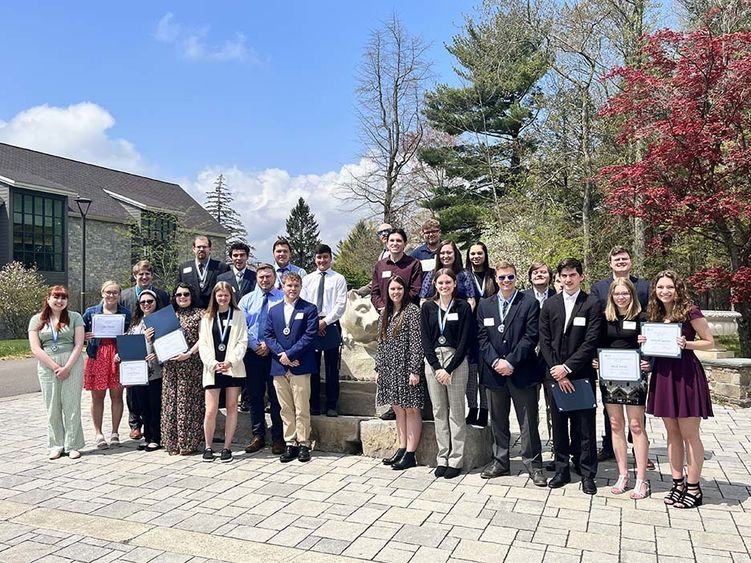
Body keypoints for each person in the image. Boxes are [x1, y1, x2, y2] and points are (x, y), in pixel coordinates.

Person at [643, 270, 714, 509]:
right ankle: (677, 483)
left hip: (686, 375)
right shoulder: (655, 313)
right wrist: (645, 343)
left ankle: (694, 488)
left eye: (669, 287)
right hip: (663, 375)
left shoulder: (690, 311)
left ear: (677, 288)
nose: (665, 291)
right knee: (671, 433)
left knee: (689, 434)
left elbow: (709, 341)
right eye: (660, 287)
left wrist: (687, 343)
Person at [477, 261, 547, 486]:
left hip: (522, 372)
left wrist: (511, 362)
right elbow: (482, 338)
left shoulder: (529, 303)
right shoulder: (485, 305)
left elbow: (531, 336)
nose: (506, 281)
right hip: (494, 373)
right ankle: (500, 461)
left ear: (517, 278)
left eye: (510, 277)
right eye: (502, 278)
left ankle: (534, 464)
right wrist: (497, 361)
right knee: (498, 420)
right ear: (495, 280)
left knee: (528, 421)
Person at [539, 258, 602, 495]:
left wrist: (568, 368)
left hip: (581, 374)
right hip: (554, 375)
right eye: (564, 276)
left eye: (573, 275)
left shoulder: (592, 304)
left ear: (581, 276)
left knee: (584, 425)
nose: (568, 279)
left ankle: (587, 473)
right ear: (559, 278)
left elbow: (591, 341)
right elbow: (544, 341)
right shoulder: (550, 304)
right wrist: (557, 369)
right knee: (559, 423)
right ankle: (561, 468)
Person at [590, 246, 650, 463]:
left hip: (635, 362)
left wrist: (648, 358)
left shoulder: (644, 286)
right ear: (610, 263)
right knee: (612, 411)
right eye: (617, 259)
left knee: (636, 414)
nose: (621, 262)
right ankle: (609, 446)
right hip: (609, 361)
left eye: (624, 258)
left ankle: (638, 448)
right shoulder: (599, 287)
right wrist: (595, 356)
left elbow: (650, 322)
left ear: (631, 261)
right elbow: (595, 324)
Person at [593, 278, 651, 499]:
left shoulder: (641, 317)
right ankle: (623, 474)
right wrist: (595, 359)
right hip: (610, 377)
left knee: (636, 426)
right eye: (617, 293)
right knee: (616, 425)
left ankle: (641, 480)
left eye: (625, 293)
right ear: (611, 296)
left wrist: (648, 361)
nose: (621, 297)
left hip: (635, 377)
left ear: (632, 294)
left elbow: (650, 345)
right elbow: (595, 342)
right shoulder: (605, 317)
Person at [421, 268, 472, 479]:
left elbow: (465, 341)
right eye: (440, 283)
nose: (444, 286)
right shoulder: (427, 308)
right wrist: (436, 367)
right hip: (433, 362)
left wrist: (449, 369)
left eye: (448, 282)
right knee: (439, 411)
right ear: (435, 284)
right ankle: (442, 456)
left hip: (456, 362)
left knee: (456, 411)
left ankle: (456, 458)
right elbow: (425, 340)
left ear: (454, 284)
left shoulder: (463, 307)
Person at [264, 272, 319, 462]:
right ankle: (290, 443)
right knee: (285, 408)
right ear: (282, 287)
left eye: (296, 286)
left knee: (301, 407)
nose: (292, 289)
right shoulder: (274, 310)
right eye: (289, 285)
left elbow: (309, 336)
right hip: (279, 367)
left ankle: (303, 443)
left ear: (300, 287)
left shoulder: (309, 309)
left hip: (301, 365)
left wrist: (291, 355)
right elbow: (268, 335)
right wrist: (282, 356)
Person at [28, 286, 86, 459]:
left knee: (71, 405)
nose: (59, 301)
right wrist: (54, 367)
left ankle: (73, 444)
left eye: (63, 298)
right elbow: (35, 348)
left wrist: (67, 367)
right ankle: (56, 444)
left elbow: (78, 344)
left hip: (71, 363)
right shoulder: (36, 320)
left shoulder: (75, 317)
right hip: (48, 365)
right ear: (48, 299)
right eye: (56, 297)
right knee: (52, 406)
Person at [375, 275, 424, 471]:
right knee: (398, 409)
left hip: (406, 368)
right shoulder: (385, 313)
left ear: (404, 291)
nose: (396, 292)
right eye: (392, 289)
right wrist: (378, 368)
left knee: (411, 409)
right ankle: (402, 447)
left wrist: (415, 369)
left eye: (399, 289)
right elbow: (380, 342)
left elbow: (416, 343)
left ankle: (411, 453)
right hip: (389, 368)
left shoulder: (412, 311)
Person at [118, 259, 169, 441]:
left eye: (147, 274)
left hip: (155, 363)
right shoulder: (124, 296)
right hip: (134, 357)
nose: (144, 277)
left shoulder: (162, 294)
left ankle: (154, 434)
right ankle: (135, 425)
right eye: (141, 274)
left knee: (153, 398)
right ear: (135, 276)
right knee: (134, 395)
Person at [239, 265, 286, 455]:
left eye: (268, 276)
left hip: (275, 354)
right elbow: (241, 326)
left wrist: (269, 344)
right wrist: (254, 345)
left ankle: (278, 438)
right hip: (253, 353)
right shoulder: (247, 300)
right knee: (255, 397)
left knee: (276, 398)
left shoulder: (284, 298)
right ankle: (258, 435)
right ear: (256, 279)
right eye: (261, 277)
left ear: (275, 278)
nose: (265, 280)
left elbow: (285, 325)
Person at [199, 282, 248, 463]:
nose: (223, 298)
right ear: (214, 297)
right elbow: (203, 344)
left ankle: (227, 448)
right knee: (210, 410)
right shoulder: (207, 317)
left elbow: (243, 341)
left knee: (232, 407)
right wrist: (213, 363)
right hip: (212, 370)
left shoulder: (238, 315)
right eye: (219, 295)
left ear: (230, 297)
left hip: (232, 369)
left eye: (226, 295)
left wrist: (230, 362)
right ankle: (208, 447)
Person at [82, 281, 132, 450]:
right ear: (102, 293)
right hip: (97, 355)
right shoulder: (90, 312)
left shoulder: (126, 313)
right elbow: (79, 334)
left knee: (117, 396)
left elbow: (130, 335)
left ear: (119, 294)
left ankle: (115, 432)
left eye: (115, 293)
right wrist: (85, 336)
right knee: (97, 398)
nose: (111, 295)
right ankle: (98, 433)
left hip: (117, 357)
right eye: (108, 292)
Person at [524, 261, 563, 471]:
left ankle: (559, 450)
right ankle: (533, 451)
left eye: (544, 272)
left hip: (552, 361)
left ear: (550, 276)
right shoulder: (522, 297)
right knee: (531, 409)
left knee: (554, 407)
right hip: (528, 360)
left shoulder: (558, 298)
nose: (539, 275)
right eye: (535, 272)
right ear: (530, 277)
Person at [301, 244, 347, 417]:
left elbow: (341, 304)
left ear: (330, 258)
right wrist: (314, 323)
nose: (322, 260)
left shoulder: (338, 279)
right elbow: (303, 303)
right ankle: (313, 404)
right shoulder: (307, 279)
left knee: (331, 369)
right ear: (315, 259)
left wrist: (325, 322)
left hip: (331, 324)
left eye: (325, 257)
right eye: (319, 257)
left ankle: (331, 405)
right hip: (311, 326)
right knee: (311, 368)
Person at [162, 283, 205, 455]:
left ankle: (188, 443)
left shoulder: (201, 314)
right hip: (171, 366)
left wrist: (189, 353)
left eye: (186, 294)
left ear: (192, 295)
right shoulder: (168, 315)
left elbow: (203, 338)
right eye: (178, 295)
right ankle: (172, 443)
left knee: (189, 404)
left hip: (191, 365)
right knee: (171, 403)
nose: (182, 297)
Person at [119, 289, 163, 452]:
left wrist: (156, 354)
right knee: (142, 405)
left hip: (154, 371)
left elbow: (168, 344)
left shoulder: (160, 321)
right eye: (143, 302)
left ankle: (156, 437)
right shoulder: (135, 322)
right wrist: (120, 355)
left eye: (150, 301)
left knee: (154, 405)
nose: (146, 304)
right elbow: (129, 342)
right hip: (137, 372)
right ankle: (147, 437)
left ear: (156, 303)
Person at [465, 242, 496, 427]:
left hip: (490, 329)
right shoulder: (464, 275)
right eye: (472, 253)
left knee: (485, 371)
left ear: (485, 254)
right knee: (471, 372)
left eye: (479, 253)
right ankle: (473, 407)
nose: (476, 256)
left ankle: (485, 409)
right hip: (470, 329)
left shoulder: (492, 275)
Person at [371, 228, 422, 311]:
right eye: (391, 240)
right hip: (384, 312)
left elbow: (415, 291)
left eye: (398, 240)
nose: (395, 243)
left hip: (407, 313)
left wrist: (398, 307)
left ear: (405, 244)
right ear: (387, 244)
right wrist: (383, 307)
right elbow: (374, 293)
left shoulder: (414, 264)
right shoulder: (380, 266)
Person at [419, 240, 477, 310]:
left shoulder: (464, 274)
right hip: (436, 316)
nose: (445, 256)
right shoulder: (431, 274)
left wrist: (465, 316)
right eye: (442, 253)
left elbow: (471, 300)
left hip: (459, 315)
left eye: (449, 252)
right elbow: (423, 299)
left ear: (455, 254)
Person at [177, 235, 230, 309]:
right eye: (198, 247)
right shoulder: (183, 268)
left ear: (210, 249)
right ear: (193, 249)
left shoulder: (222, 267)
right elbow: (178, 291)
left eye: (204, 247)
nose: (201, 249)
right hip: (191, 312)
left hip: (215, 311)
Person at [355, 222, 392, 297]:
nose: (384, 234)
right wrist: (359, 292)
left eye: (387, 231)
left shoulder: (404, 251)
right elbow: (377, 280)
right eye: (380, 232)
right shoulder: (382, 255)